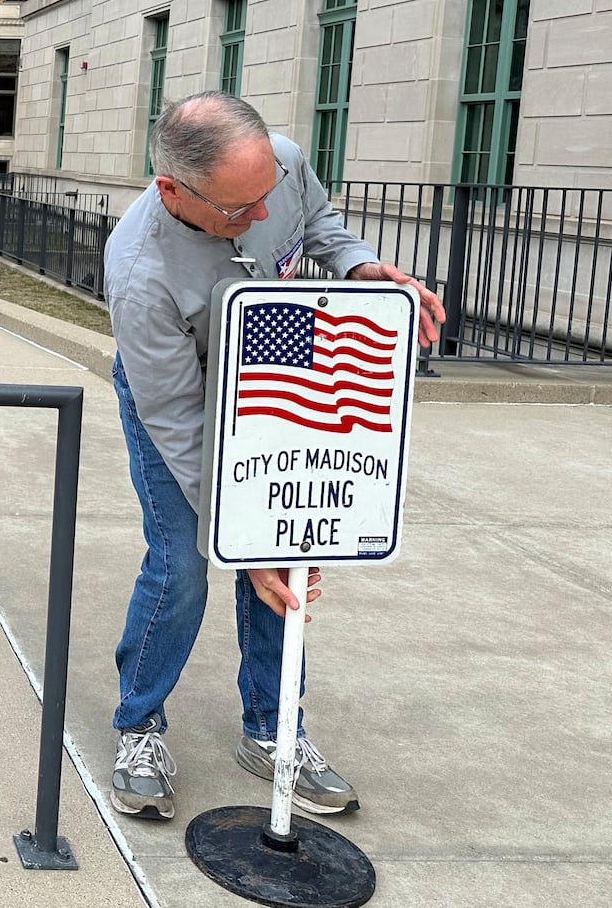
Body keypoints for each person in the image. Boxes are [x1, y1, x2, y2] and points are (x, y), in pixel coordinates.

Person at [103, 92, 445, 821]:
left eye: (266, 196)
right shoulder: (140, 273)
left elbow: (318, 219)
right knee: (187, 561)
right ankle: (138, 724)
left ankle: (272, 730)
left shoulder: (277, 163)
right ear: (172, 191)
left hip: (275, 380)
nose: (260, 217)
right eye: (238, 210)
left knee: (288, 554)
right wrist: (238, 534)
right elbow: (178, 422)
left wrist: (358, 267)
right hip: (183, 402)